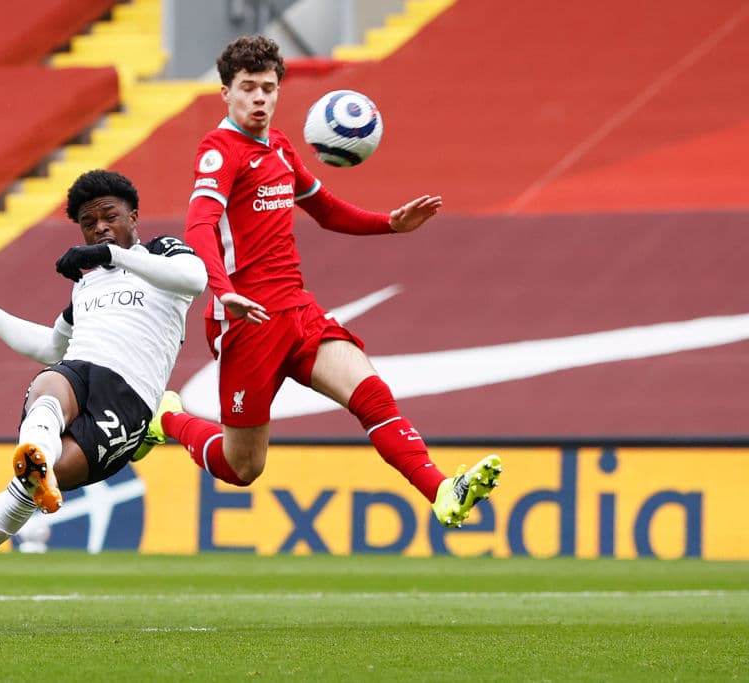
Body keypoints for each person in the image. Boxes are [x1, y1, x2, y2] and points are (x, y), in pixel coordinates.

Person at [144, 35, 502, 528]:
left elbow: (326, 210)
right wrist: (224, 290)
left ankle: (441, 490)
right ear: (225, 93)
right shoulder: (219, 151)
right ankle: (167, 419)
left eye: (267, 88)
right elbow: (199, 226)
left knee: (371, 392)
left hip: (297, 310)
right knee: (242, 466)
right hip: (245, 322)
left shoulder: (281, 147)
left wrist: (388, 224)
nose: (259, 99)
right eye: (247, 88)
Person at [0, 169, 207, 632]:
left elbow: (196, 279)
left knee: (30, 486)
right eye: (90, 223)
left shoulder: (161, 254)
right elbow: (51, 346)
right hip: (80, 371)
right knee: (48, 383)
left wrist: (111, 254)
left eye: (110, 217)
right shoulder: (85, 286)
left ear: (134, 216)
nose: (101, 227)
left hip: (129, 400)